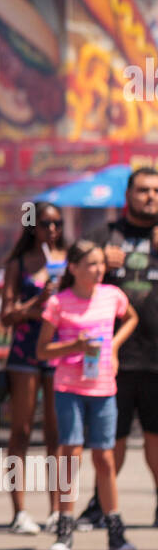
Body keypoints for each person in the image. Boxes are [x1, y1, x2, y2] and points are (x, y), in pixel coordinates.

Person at [37, 239, 138, 550]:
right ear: (74, 268)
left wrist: (115, 347)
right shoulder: (59, 303)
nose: (98, 271)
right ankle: (64, 527)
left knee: (105, 458)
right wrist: (75, 347)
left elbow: (131, 318)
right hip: (69, 387)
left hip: (104, 387)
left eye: (100, 264)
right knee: (70, 455)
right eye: (90, 264)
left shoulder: (112, 296)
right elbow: (42, 350)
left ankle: (115, 531)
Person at [86, 167, 158, 529]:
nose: (151, 197)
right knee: (109, 439)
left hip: (156, 357)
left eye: (156, 191)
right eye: (143, 190)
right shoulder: (106, 235)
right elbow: (72, 275)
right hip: (113, 358)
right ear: (128, 194)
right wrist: (98, 260)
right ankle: (100, 505)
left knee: (156, 439)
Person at [0, 203, 67, 535]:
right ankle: (19, 510)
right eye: (45, 224)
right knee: (21, 432)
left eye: (57, 224)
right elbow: (6, 315)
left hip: (58, 351)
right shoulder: (18, 264)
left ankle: (57, 509)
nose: (51, 230)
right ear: (32, 227)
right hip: (25, 351)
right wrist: (33, 306)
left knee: (57, 434)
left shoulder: (68, 260)